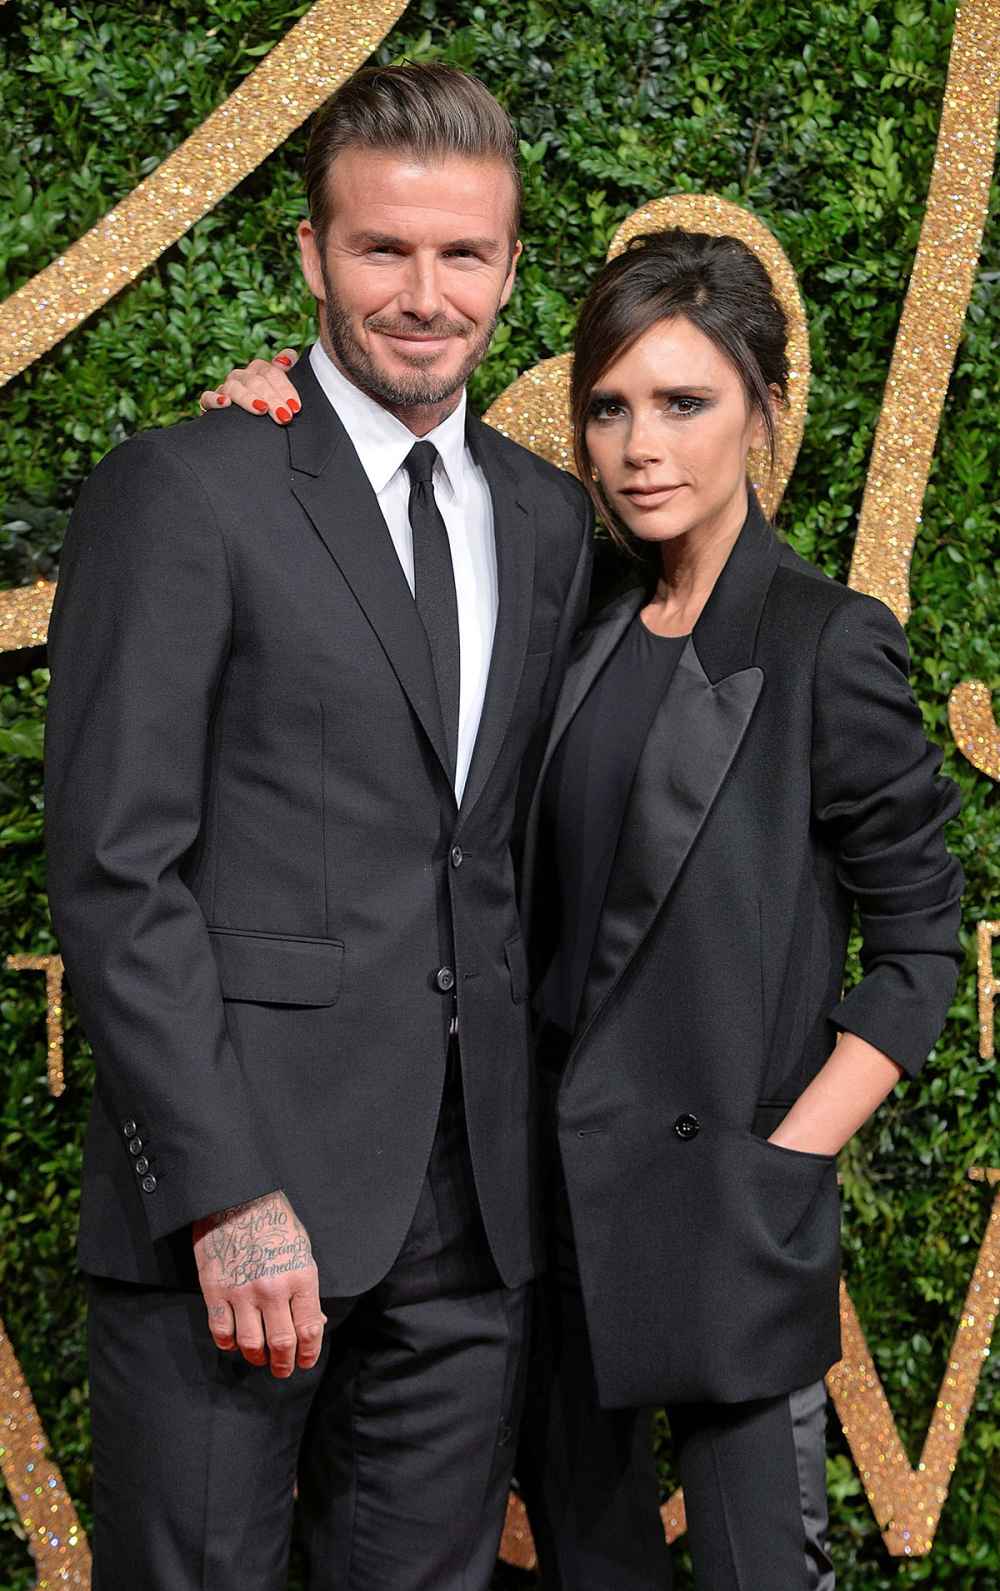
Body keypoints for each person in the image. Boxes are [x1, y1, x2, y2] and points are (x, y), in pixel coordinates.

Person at [225, 228, 963, 1589]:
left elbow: (922, 947)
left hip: (726, 1208)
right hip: (551, 1219)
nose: (640, 446)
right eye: (611, 407)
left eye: (685, 403)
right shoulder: (574, 611)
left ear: (764, 411)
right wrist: (273, 423)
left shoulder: (824, 643)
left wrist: (784, 1161)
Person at [44, 63, 592, 1591]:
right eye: (383, 250)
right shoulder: (189, 489)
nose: (426, 294)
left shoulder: (547, 522)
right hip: (244, 1203)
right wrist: (223, 1193)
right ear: (309, 256)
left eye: (463, 254)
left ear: (510, 268)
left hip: (474, 1217)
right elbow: (112, 870)